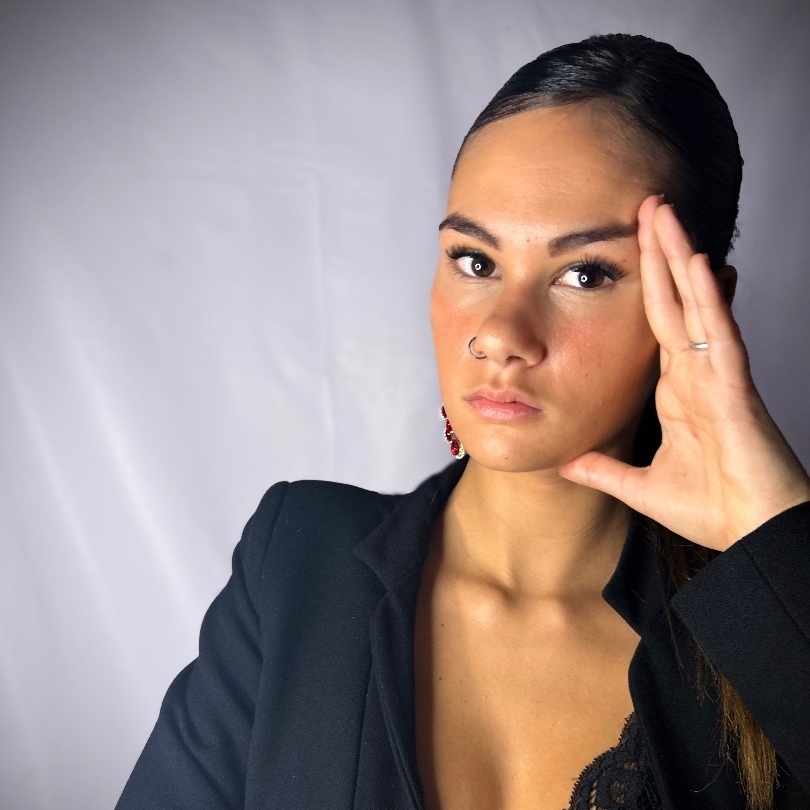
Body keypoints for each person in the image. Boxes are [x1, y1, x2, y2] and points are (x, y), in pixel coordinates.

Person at [114, 33, 810, 810]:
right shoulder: (298, 562)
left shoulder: (762, 629)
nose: (502, 334)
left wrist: (773, 527)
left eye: (584, 273)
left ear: (699, 306)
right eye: (476, 261)